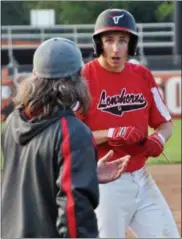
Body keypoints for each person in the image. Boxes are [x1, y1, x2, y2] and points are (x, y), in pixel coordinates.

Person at [1, 37, 130, 238]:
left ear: (35, 75)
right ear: (79, 76)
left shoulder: (13, 122)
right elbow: (73, 212)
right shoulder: (72, 131)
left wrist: (87, 172)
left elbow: (31, 178)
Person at [80, 9, 180, 238]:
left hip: (142, 178)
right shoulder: (83, 79)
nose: (116, 48)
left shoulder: (142, 75)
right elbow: (68, 134)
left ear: (131, 44)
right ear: (99, 44)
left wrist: (159, 138)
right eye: (109, 40)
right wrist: (111, 133)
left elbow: (166, 124)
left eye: (122, 41)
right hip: (105, 182)